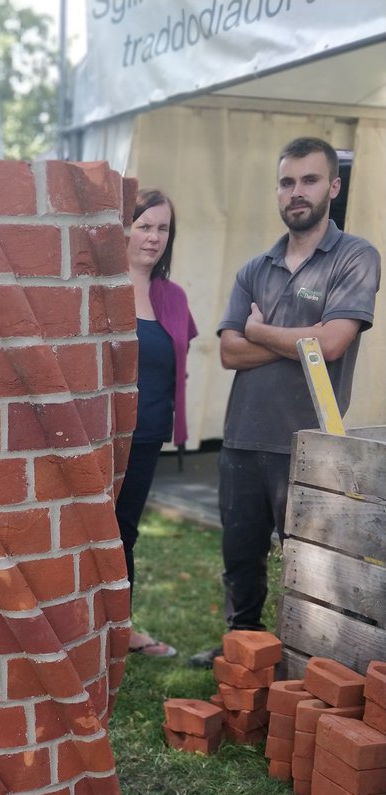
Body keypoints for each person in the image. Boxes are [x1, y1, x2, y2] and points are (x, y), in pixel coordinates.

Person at [191, 137, 381, 667]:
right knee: (240, 555)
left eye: (309, 180)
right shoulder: (255, 267)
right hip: (242, 436)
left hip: (308, 442)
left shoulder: (356, 257)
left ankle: (306, 663)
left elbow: (333, 344)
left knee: (310, 563)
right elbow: (229, 351)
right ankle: (243, 648)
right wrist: (301, 339)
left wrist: (258, 330)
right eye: (287, 182)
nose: (297, 192)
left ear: (333, 187)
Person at [117, 188, 198, 658]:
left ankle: (120, 629)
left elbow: (175, 363)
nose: (153, 237)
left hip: (145, 436)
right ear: (124, 229)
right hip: (100, 436)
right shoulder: (101, 289)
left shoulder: (173, 297)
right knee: (90, 530)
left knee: (124, 532)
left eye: (162, 228)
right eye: (144, 226)